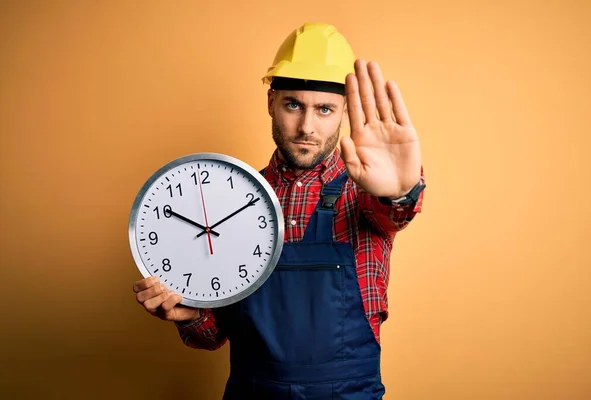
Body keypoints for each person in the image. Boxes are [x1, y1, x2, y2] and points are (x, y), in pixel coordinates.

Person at [133, 22, 425, 399]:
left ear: (344, 113)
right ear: (271, 102)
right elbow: (213, 336)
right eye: (293, 105)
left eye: (324, 109)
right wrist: (187, 314)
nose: (307, 127)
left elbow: (395, 212)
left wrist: (401, 192)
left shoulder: (366, 193)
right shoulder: (231, 198)